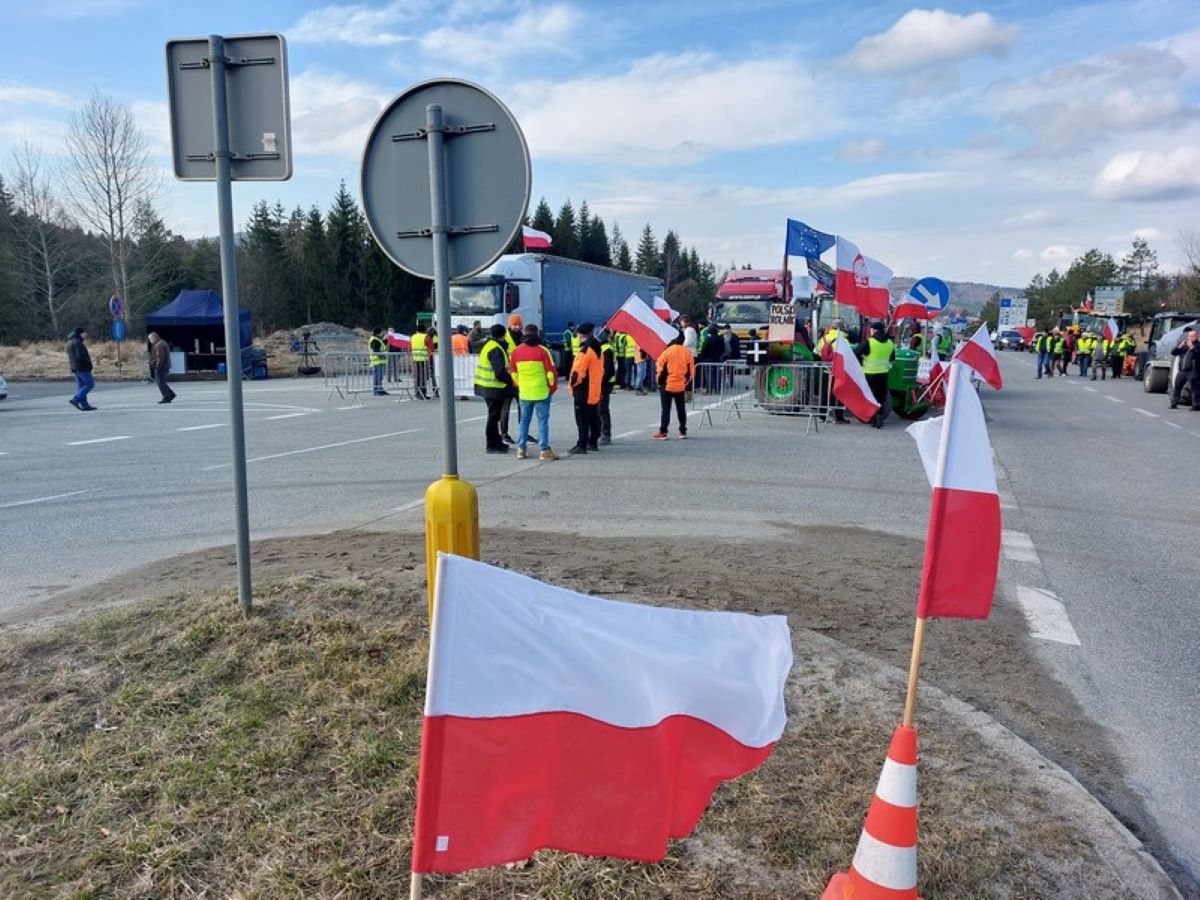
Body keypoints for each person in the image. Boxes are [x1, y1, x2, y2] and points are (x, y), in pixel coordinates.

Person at [509, 324, 559, 460]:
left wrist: (521, 385)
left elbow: (513, 373)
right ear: (537, 334)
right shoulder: (543, 351)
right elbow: (551, 373)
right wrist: (551, 389)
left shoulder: (516, 352)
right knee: (542, 421)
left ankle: (521, 449)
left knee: (524, 420)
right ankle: (544, 450)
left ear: (524, 334)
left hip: (525, 392)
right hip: (541, 391)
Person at [473, 324, 514, 453]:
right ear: (503, 335)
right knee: (493, 417)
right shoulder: (496, 349)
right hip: (494, 388)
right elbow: (499, 372)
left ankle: (497, 442)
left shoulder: (489, 345)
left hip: (487, 387)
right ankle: (491, 444)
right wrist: (512, 380)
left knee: (494, 416)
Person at [567, 322, 603, 455]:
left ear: (581, 336)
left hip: (583, 390)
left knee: (582, 419)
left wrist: (572, 385)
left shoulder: (585, 351)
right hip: (593, 389)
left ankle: (582, 444)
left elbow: (577, 373)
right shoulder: (597, 348)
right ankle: (593, 442)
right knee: (593, 417)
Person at [653, 334, 695, 440]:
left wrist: (659, 382)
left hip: (667, 385)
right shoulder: (687, 353)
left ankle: (663, 432)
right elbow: (691, 372)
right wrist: (685, 383)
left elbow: (660, 369)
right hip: (680, 385)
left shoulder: (667, 352)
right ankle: (682, 431)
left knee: (666, 409)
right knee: (681, 408)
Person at [859, 322, 895, 428]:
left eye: (871, 329)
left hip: (869, 374)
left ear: (874, 330)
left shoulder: (869, 342)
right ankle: (879, 418)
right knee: (880, 397)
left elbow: (855, 352)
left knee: (869, 397)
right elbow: (892, 358)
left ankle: (871, 417)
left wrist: (861, 360)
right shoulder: (890, 343)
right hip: (883, 374)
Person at [498, 314, 523, 444]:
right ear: (510, 325)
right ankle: (504, 434)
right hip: (508, 379)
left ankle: (523, 433)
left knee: (522, 407)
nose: (517, 327)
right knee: (505, 408)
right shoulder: (505, 338)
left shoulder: (523, 338)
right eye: (514, 325)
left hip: (520, 378)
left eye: (519, 325)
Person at [66, 326, 97, 411]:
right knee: (90, 384)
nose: (85, 334)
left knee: (81, 386)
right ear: (80, 333)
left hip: (75, 367)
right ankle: (76, 399)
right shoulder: (77, 342)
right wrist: (88, 364)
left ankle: (84, 405)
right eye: (84, 333)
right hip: (82, 367)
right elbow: (80, 356)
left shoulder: (70, 342)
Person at [1169, 327, 1200, 410]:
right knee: (1177, 387)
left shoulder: (1198, 346)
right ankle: (1174, 403)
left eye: (1192, 336)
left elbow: (1198, 355)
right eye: (1189, 336)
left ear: (1196, 337)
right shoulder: (1184, 347)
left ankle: (1196, 405)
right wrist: (1180, 346)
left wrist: (1192, 348)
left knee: (1195, 388)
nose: (1189, 338)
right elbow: (1173, 352)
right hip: (1182, 371)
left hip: (1193, 371)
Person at [597, 328, 618, 444]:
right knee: (597, 409)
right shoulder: (601, 348)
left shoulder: (606, 349)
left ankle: (606, 434)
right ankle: (599, 432)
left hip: (604, 384)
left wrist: (601, 383)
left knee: (602, 409)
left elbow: (608, 370)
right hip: (599, 383)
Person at [148, 332, 176, 404]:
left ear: (154, 338)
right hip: (163, 365)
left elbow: (160, 357)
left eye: (150, 339)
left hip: (161, 366)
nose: (150, 341)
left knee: (160, 382)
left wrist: (157, 366)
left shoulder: (158, 345)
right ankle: (171, 394)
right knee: (161, 381)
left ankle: (166, 397)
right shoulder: (161, 343)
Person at [411, 322, 432, 399]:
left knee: (417, 377)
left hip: (415, 359)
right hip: (423, 359)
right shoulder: (426, 337)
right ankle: (423, 393)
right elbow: (431, 349)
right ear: (424, 330)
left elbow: (409, 348)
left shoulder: (413, 337)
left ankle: (417, 393)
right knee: (424, 377)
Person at [368, 327, 389, 396]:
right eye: (381, 332)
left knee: (380, 376)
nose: (382, 333)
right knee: (378, 376)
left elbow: (382, 346)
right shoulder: (375, 340)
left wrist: (385, 340)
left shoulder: (377, 339)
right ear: (378, 333)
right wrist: (383, 356)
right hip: (377, 361)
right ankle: (376, 390)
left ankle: (379, 389)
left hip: (380, 361)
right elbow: (376, 351)